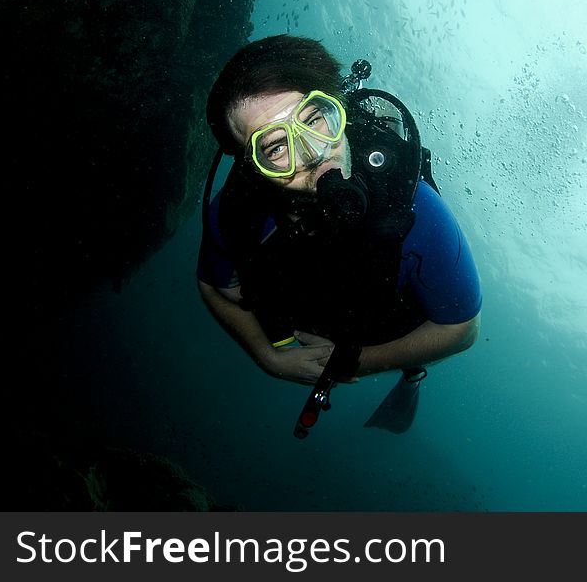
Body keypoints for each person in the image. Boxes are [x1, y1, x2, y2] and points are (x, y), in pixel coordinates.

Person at [196, 35, 482, 436]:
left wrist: (354, 361)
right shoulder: (237, 212)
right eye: (276, 147)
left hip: (383, 317)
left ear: (339, 109)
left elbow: (462, 328)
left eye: (315, 119)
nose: (314, 152)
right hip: (306, 302)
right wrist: (266, 355)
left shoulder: (414, 208)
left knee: (403, 326)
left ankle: (412, 375)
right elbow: (212, 284)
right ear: (253, 167)